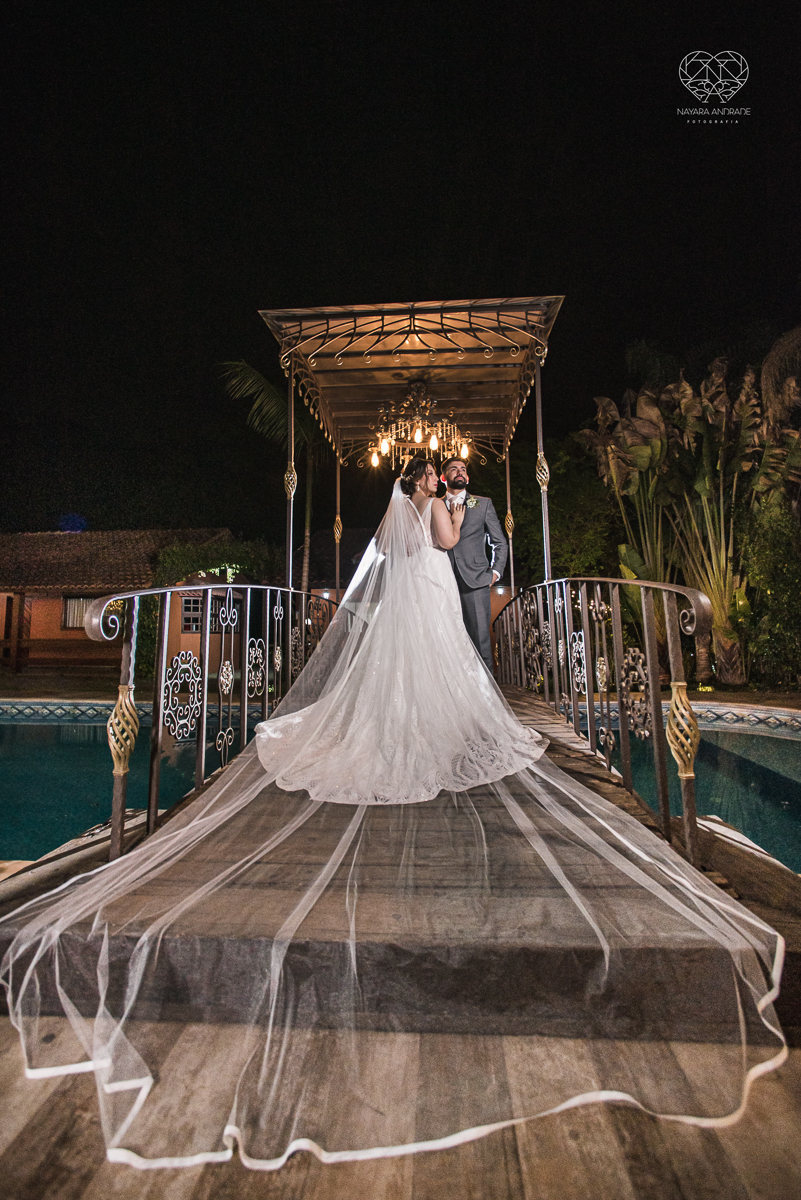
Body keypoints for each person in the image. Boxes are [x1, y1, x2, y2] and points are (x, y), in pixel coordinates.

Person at [0, 457, 785, 1173]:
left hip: (413, 602)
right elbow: (448, 544)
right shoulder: (437, 511)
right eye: (437, 481)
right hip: (436, 601)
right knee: (448, 688)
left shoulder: (392, 522)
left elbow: (412, 554)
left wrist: (440, 512)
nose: (443, 490)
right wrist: (449, 508)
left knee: (401, 689)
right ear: (427, 482)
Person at [440, 456, 507, 671]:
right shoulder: (436, 505)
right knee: (446, 640)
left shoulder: (480, 503)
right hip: (441, 581)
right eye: (453, 469)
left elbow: (499, 542)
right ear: (443, 477)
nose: (459, 472)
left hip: (476, 580)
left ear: (467, 477)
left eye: (463, 469)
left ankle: (487, 696)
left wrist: (495, 572)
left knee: (480, 640)